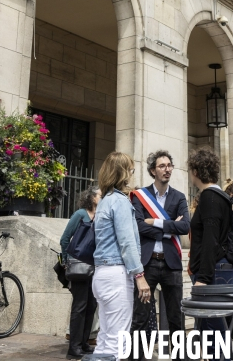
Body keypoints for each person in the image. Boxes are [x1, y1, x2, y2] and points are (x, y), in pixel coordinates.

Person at [130, 150, 190, 360]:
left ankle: (178, 356)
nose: (167, 169)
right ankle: (136, 356)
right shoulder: (140, 196)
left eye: (169, 165)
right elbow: (137, 226)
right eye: (162, 166)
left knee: (175, 317)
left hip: (171, 264)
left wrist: (153, 222)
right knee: (140, 316)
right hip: (148, 264)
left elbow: (184, 226)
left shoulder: (179, 197)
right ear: (152, 170)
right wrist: (168, 227)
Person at [91, 152, 150, 359]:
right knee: (118, 341)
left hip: (101, 274)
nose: (132, 175)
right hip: (116, 274)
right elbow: (127, 242)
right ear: (124, 173)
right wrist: (140, 276)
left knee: (105, 339)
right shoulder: (120, 201)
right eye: (131, 170)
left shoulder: (105, 201)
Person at [188, 147, 233, 361]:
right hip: (219, 269)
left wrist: (204, 278)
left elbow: (210, 239)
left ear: (196, 171)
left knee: (216, 334)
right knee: (212, 334)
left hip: (212, 273)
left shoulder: (210, 197)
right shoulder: (222, 197)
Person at [60, 186, 101, 360]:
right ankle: (74, 347)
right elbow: (64, 239)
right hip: (79, 267)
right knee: (79, 307)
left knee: (91, 306)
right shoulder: (80, 214)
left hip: (95, 268)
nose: (102, 197)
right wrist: (67, 261)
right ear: (92, 197)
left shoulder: (100, 216)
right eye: (100, 195)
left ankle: (84, 342)